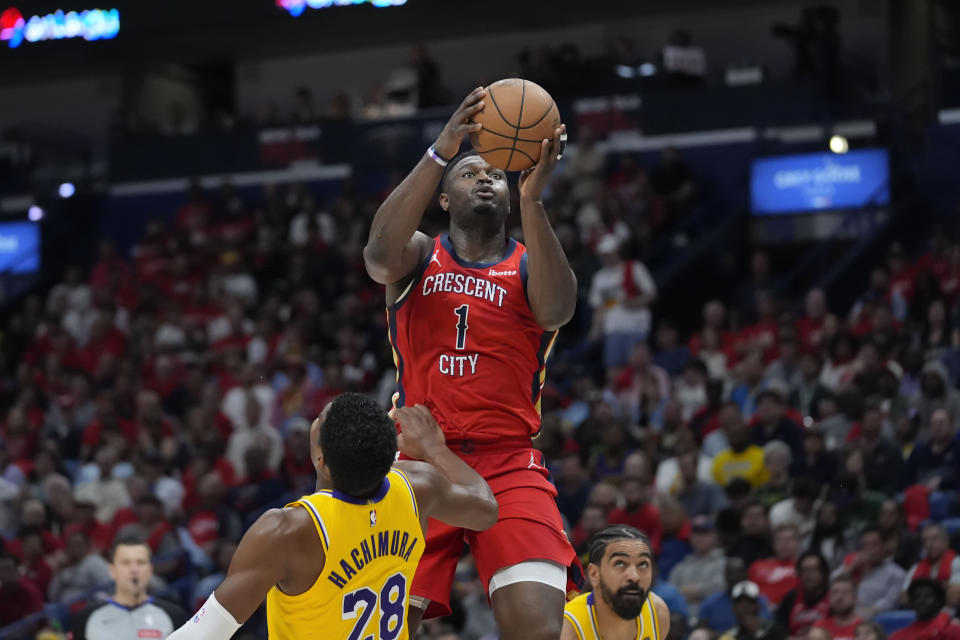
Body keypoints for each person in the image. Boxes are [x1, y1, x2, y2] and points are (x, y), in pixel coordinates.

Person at [363, 86, 581, 639]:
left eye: (496, 174)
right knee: (385, 630)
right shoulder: (417, 255)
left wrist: (533, 199)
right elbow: (376, 257)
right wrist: (441, 149)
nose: (485, 178)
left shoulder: (531, 267)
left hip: (509, 462)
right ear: (442, 198)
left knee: (537, 631)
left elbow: (558, 310)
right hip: (417, 462)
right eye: (468, 172)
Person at [168, 394, 498, 639]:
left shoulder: (287, 531)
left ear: (320, 458)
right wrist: (434, 448)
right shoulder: (417, 486)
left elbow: (203, 634)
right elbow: (485, 509)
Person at [561, 526, 670, 640]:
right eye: (620, 563)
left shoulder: (658, 613)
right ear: (594, 574)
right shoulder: (568, 629)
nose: (634, 576)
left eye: (642, 564)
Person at [70, 536, 187, 640]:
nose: (134, 570)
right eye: (126, 563)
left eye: (140, 562)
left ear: (150, 570)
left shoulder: (174, 616)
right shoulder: (86, 617)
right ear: (112, 570)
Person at [889, 578, 960, 640]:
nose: (921, 600)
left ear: (939, 600)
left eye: (927, 596)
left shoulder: (953, 631)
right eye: (916, 597)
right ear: (911, 603)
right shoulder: (898, 636)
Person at [719, 581, 788, 640]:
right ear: (734, 608)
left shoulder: (774, 630)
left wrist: (757, 633)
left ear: (757, 607)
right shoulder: (729, 636)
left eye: (749, 603)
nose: (745, 609)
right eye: (740, 604)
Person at [813, 573, 863, 640]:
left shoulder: (865, 627)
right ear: (829, 597)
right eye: (835, 592)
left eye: (846, 592)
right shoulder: (820, 627)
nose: (839, 597)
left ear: (855, 598)